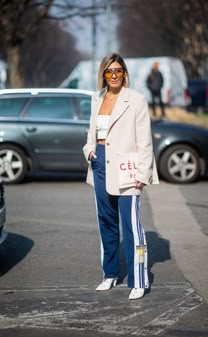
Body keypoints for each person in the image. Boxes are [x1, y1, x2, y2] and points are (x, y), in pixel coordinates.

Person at [83, 53, 155, 300]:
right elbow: (91, 132)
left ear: (124, 73)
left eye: (118, 70)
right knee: (106, 222)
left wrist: (142, 173)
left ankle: (138, 279)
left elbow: (145, 140)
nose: (114, 75)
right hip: (100, 162)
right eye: (109, 71)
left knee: (131, 226)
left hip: (127, 167)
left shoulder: (136, 100)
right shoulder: (97, 98)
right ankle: (110, 274)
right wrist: (89, 150)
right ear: (103, 74)